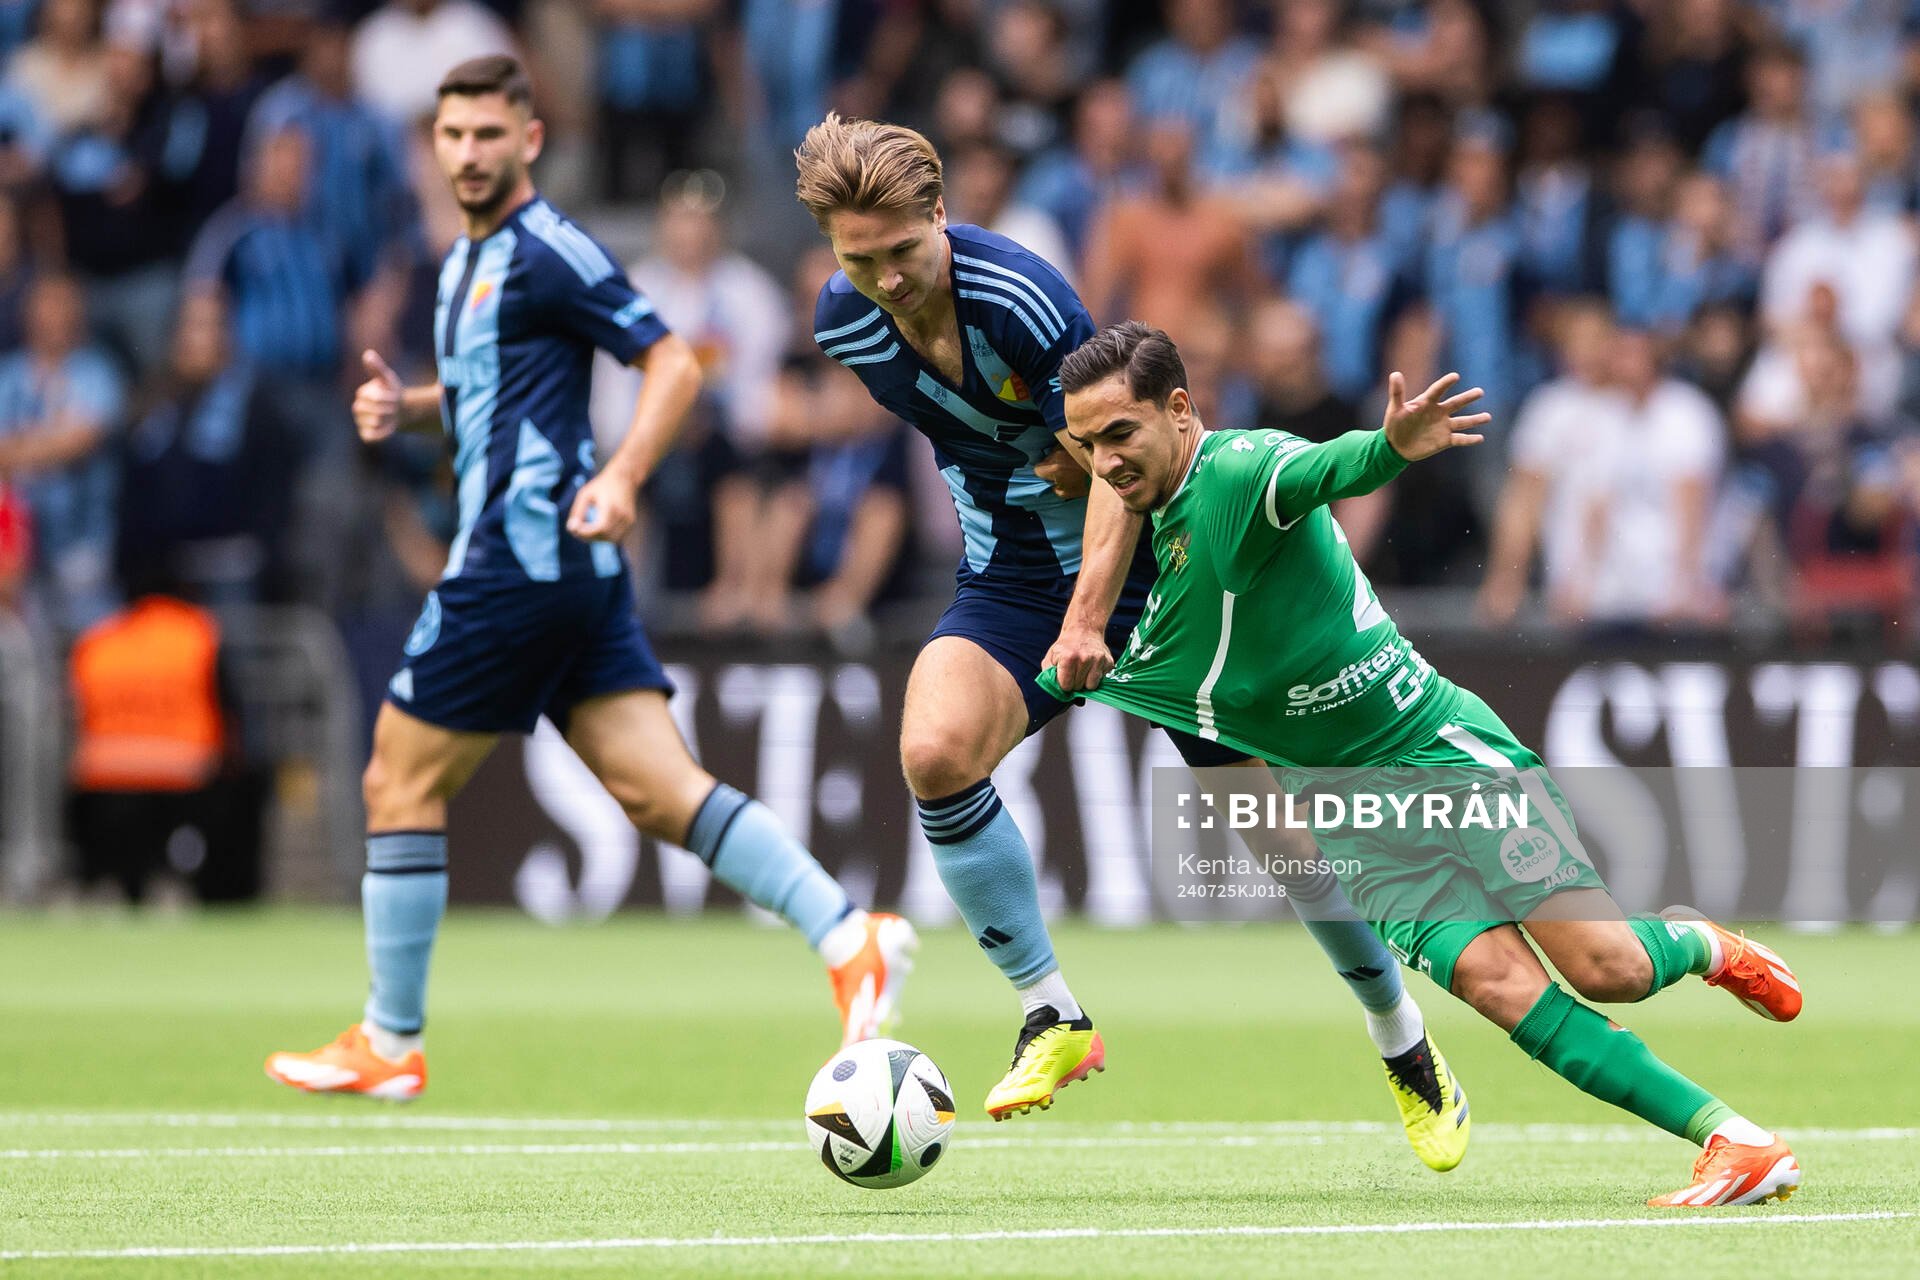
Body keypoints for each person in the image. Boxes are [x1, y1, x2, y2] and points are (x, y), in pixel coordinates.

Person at [796, 115, 1469, 1173]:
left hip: (1159, 570)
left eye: (902, 251)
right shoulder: (847, 323)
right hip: (1012, 578)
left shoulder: (1021, 299)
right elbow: (980, 442)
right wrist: (1036, 521)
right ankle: (1051, 1012)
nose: (884, 278)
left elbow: (1115, 455)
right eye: (856, 257)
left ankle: (1404, 1040)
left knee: (1280, 841)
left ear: (942, 214)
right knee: (934, 750)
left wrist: (1088, 615)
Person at [264, 58, 915, 1103]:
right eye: (454, 134)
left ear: (529, 139)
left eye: (490, 133)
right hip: (569, 565)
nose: (470, 152)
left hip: (520, 557)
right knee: (662, 791)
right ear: (436, 146)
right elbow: (495, 388)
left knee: (396, 774)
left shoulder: (549, 247)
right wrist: (416, 407)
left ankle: (391, 1036)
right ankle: (851, 932)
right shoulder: (462, 266)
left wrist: (623, 472)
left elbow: (671, 362)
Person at [1045, 319, 1804, 1209]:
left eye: (1120, 435)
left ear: (1180, 410)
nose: (1104, 462)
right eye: (1088, 443)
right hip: (1358, 819)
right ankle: (1735, 1141)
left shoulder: (1243, 471)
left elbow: (1326, 469)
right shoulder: (1153, 518)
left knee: (1610, 969)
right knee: (1499, 985)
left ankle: (1703, 944)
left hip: (1439, 754)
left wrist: (1390, 447)